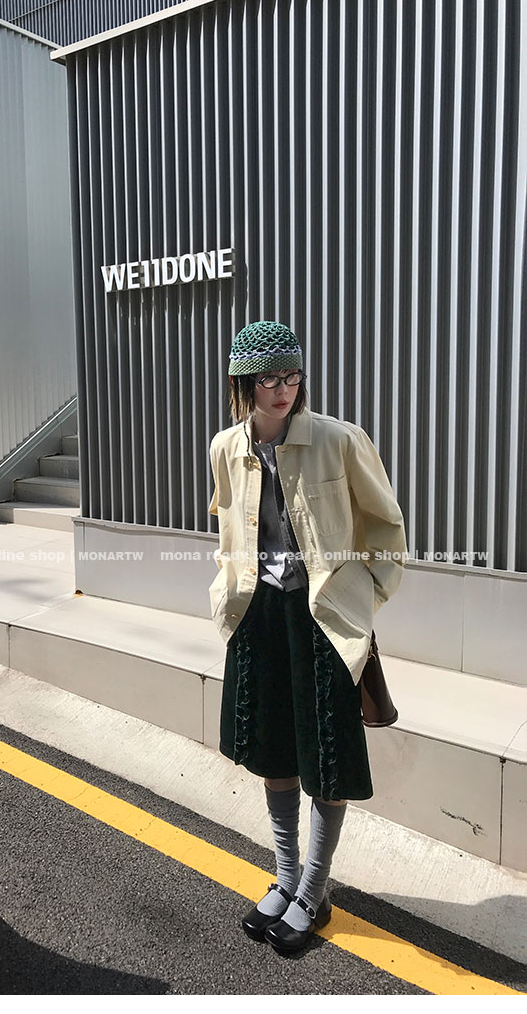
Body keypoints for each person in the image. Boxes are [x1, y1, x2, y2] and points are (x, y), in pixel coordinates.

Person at [207, 320, 408, 953]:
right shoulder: (225, 447)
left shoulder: (339, 440)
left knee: (325, 757)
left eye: (292, 375)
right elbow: (227, 526)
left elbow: (385, 526)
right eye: (269, 378)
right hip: (258, 613)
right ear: (244, 383)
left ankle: (313, 892)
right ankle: (288, 877)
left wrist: (364, 594)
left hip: (321, 618)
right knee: (273, 752)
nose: (283, 389)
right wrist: (227, 592)